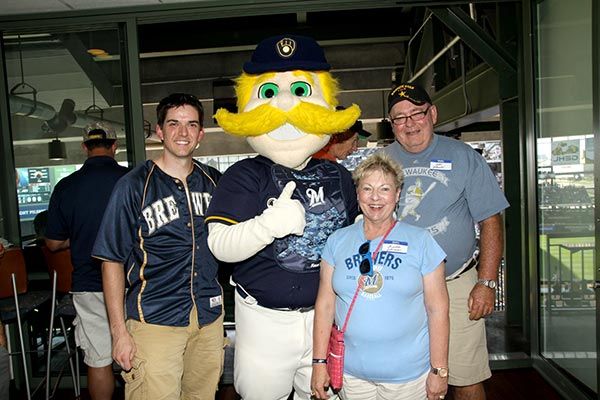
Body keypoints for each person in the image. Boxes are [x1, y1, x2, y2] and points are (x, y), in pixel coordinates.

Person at [207, 34, 359, 400]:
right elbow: (219, 245)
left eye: (302, 90)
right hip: (264, 323)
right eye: (271, 92)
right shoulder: (245, 175)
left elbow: (354, 233)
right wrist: (267, 226)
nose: (287, 103)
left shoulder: (336, 175)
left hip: (324, 319)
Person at [383, 83, 510, 400]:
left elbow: (491, 219)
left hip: (455, 285)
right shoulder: (380, 162)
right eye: (400, 118)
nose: (410, 123)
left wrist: (487, 282)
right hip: (399, 289)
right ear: (390, 123)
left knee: (465, 376)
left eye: (417, 113)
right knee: (404, 380)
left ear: (433, 114)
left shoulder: (464, 157)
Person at [93, 93, 224, 400]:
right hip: (154, 319)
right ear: (160, 132)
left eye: (191, 125)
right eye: (174, 124)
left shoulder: (215, 182)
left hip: (208, 317)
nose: (183, 133)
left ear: (201, 134)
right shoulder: (134, 185)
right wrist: (119, 333)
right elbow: (110, 260)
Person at [311, 153, 449, 400]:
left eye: (385, 189)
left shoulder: (421, 241)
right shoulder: (337, 241)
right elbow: (325, 305)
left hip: (408, 379)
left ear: (397, 195)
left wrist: (439, 370)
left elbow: (437, 309)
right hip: (351, 376)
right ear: (358, 194)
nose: (375, 197)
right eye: (367, 188)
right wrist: (319, 362)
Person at [44, 121, 128, 400]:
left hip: (89, 285)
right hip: (135, 282)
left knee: (98, 359)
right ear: (114, 147)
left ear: (84, 148)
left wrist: (77, 237)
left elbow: (53, 243)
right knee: (142, 358)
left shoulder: (66, 187)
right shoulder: (133, 179)